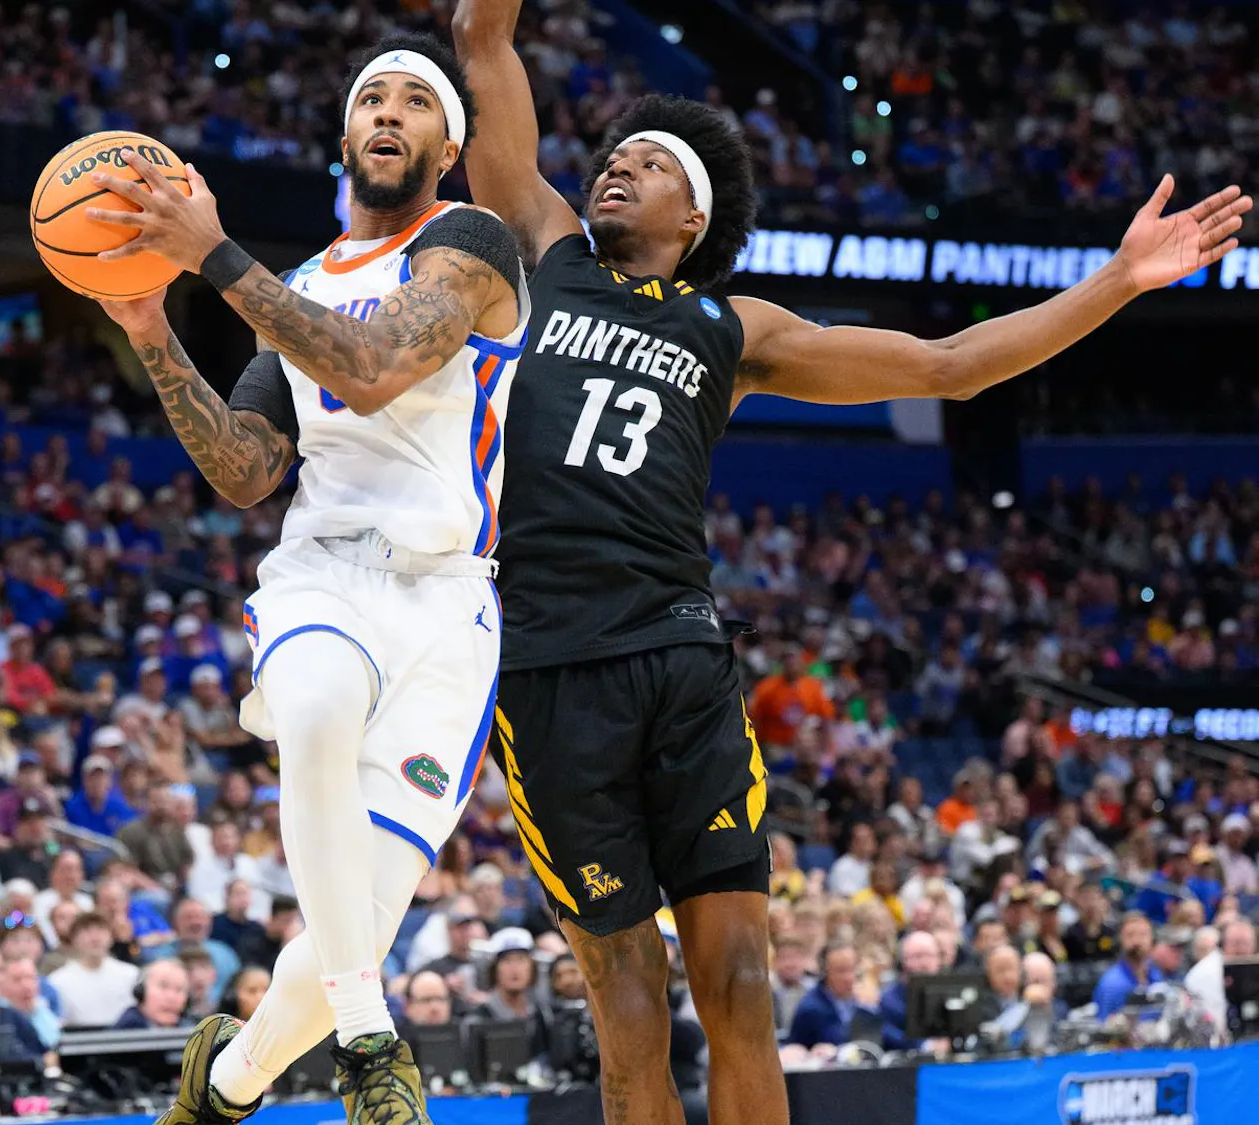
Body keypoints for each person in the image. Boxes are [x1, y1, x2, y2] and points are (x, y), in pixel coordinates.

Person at [454, 0, 1249, 1115]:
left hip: (680, 658)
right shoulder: (547, 260)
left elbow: (950, 364)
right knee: (624, 996)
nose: (615, 171)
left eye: (648, 164)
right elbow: (484, 49)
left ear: (696, 214)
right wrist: (486, 23)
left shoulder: (737, 330)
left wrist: (1115, 281)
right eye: (612, 158)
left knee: (738, 982)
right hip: (546, 664)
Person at [92, 28, 529, 1125]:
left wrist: (212, 259)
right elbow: (245, 472)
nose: (389, 113)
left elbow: (375, 370)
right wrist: (151, 328)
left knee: (358, 928)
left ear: (449, 144)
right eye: (371, 98)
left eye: (415, 102)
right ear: (343, 135)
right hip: (324, 576)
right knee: (321, 710)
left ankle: (220, 1088)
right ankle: (374, 1044)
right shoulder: (287, 288)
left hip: (450, 611)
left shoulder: (472, 248)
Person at [1094, 913, 1163, 1019]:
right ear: (1120, 940)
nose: (1137, 941)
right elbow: (1104, 1028)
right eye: (1130, 935)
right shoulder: (1111, 984)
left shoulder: (1156, 974)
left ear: (1152, 939)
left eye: (1143, 934)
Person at [112, 960, 192, 1030]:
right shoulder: (125, 1030)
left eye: (179, 989)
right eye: (163, 986)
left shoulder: (192, 1029)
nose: (171, 997)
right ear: (141, 992)